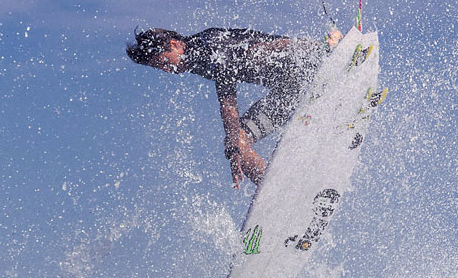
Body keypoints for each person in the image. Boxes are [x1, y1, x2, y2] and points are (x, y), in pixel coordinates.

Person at [127, 26, 341, 187]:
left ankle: (329, 48)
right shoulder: (195, 58)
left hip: (308, 68)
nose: (167, 70)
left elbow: (229, 102)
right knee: (239, 140)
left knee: (234, 140)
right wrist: (235, 147)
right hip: (288, 94)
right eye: (160, 68)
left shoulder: (210, 47)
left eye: (165, 62)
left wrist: (321, 48)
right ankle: (276, 193)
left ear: (175, 44)